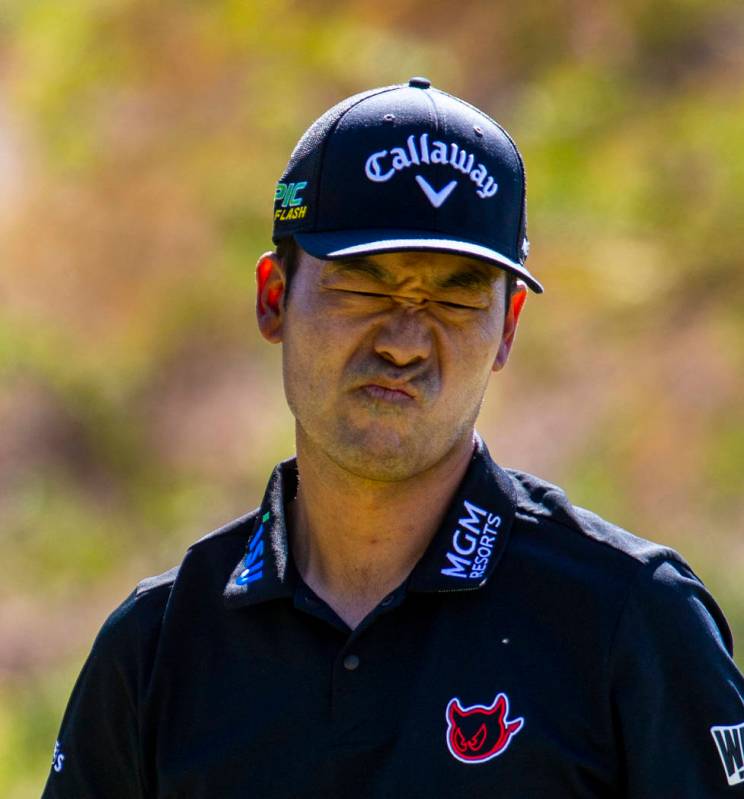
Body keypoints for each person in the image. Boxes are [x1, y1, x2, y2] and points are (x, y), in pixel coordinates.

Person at [43, 77, 744, 798]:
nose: (406, 340)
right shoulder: (157, 648)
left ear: (506, 330)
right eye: (363, 284)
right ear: (273, 298)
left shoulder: (628, 620)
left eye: (457, 293)